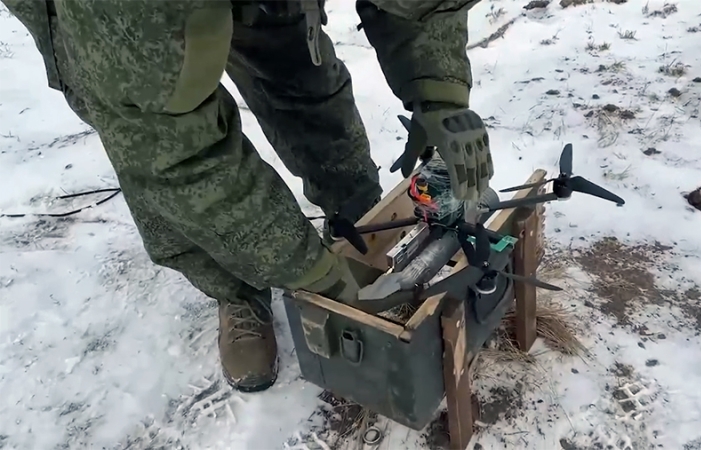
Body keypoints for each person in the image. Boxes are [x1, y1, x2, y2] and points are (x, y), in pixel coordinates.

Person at [3, 0, 494, 393]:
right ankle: (233, 287)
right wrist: (305, 267)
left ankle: (359, 218)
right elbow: (178, 158)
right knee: (157, 152)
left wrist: (439, 90)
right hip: (127, 30)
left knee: (298, 72)